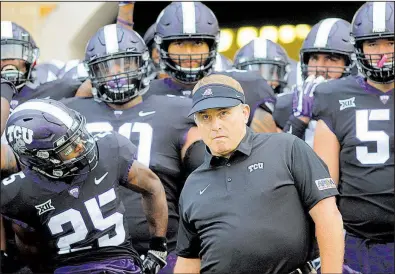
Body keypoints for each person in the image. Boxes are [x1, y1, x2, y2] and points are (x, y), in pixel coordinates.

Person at [63, 23, 203, 273]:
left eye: (125, 64)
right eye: (106, 66)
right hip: (87, 255)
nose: (116, 73)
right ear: (91, 73)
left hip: (164, 251)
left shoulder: (177, 110)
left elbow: (207, 178)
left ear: (142, 64)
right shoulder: (70, 113)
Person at [174, 74, 344, 274]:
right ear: (197, 123)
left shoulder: (287, 148)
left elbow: (328, 217)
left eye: (223, 113)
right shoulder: (193, 183)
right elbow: (189, 261)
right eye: (205, 117)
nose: (215, 125)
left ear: (245, 113)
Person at [1, 98, 168, 274]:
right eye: (68, 148)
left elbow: (152, 186)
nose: (81, 146)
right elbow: (30, 247)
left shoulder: (107, 149)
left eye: (78, 135)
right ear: (40, 158)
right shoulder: (17, 192)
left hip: (121, 265)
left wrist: (158, 246)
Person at [313, 2, 394, 273]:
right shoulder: (333, 96)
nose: (383, 52)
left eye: (390, 42)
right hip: (359, 245)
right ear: (359, 48)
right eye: (373, 44)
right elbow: (324, 189)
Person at [147, 1, 278, 133]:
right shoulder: (146, 93)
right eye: (179, 43)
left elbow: (268, 148)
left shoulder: (246, 85)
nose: (189, 52)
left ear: (212, 46)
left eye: (197, 43)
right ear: (162, 47)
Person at [274, 18, 355, 147]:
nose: (320, 68)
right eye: (314, 58)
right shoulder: (286, 105)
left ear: (351, 64)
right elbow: (277, 160)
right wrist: (299, 120)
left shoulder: (363, 102)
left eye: (331, 59)